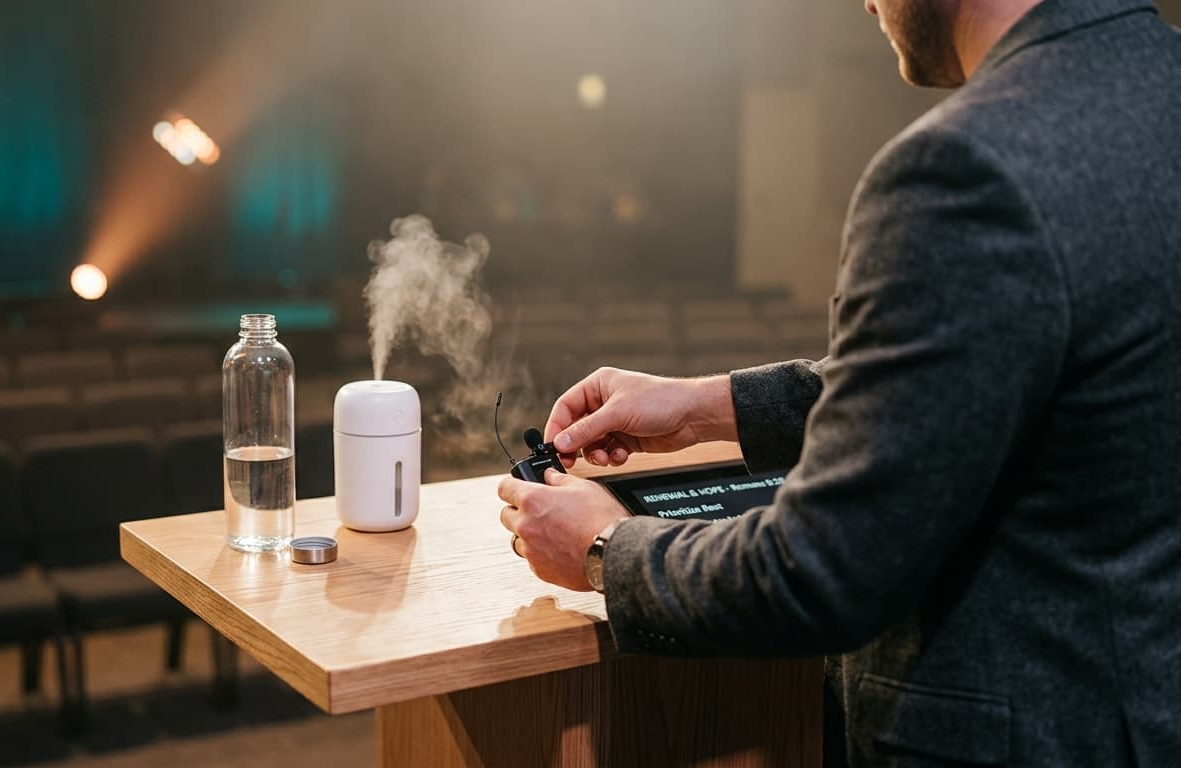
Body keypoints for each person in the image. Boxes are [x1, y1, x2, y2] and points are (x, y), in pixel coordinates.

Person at [496, 0, 1181, 764]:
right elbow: (1012, 378)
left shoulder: (966, 167)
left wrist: (603, 546)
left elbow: (822, 571)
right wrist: (705, 407)